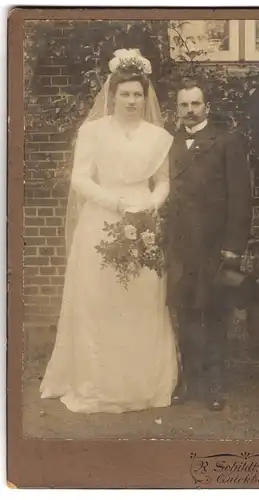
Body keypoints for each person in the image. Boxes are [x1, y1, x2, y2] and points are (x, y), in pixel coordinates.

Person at [40, 49, 178, 414]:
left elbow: (162, 182)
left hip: (144, 223)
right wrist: (115, 203)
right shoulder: (93, 131)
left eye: (138, 94)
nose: (132, 100)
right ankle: (98, 383)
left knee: (141, 301)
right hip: (101, 219)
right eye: (125, 93)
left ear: (145, 97)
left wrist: (149, 206)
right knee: (100, 301)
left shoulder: (158, 137)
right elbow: (79, 178)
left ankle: (142, 385)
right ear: (112, 95)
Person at [166, 78, 252, 411]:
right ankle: (190, 383)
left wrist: (233, 245)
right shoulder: (170, 144)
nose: (190, 110)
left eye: (195, 104)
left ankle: (215, 386)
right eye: (184, 105)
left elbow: (241, 197)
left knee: (215, 315)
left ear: (207, 107)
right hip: (181, 247)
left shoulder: (226, 142)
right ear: (177, 109)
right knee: (186, 314)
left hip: (215, 247)